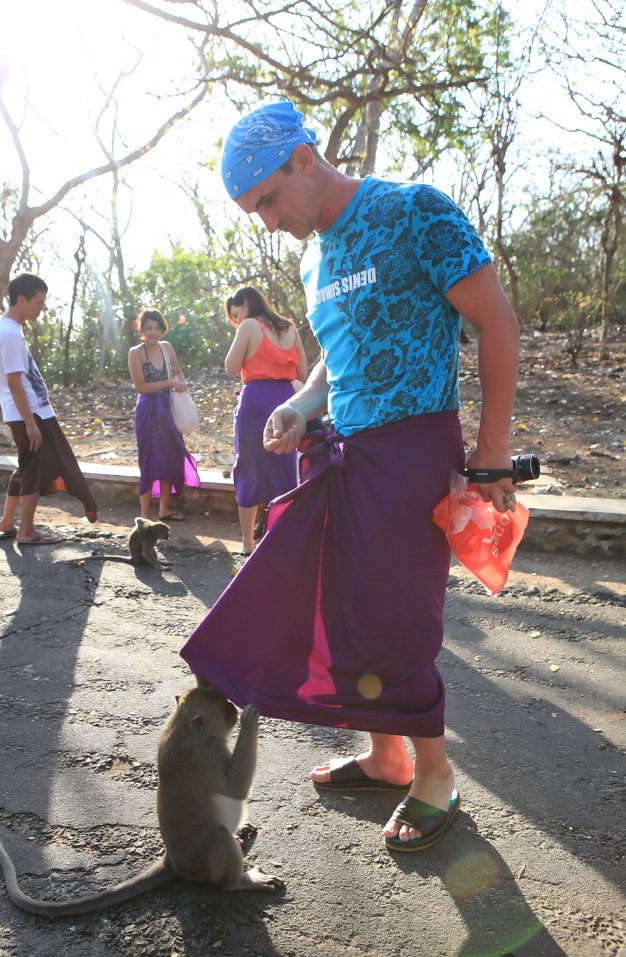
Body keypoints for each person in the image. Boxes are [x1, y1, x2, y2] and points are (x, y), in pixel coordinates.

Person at [182, 101, 520, 853]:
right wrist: (302, 406)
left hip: (414, 449)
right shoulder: (313, 259)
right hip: (343, 450)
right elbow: (338, 354)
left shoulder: (414, 213)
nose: (267, 220)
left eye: (267, 198)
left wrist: (492, 451)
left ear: (305, 159)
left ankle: (436, 778)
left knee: (396, 619)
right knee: (343, 612)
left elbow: (495, 320)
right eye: (252, 210)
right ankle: (386, 754)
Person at [0, 273, 98, 545]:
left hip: (28, 412)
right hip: (28, 413)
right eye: (38, 302)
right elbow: (14, 382)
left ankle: (7, 521)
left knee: (27, 467)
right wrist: (31, 423)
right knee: (34, 471)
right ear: (21, 300)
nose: (42, 308)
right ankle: (26, 531)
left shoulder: (4, 327)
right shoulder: (10, 332)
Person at [224, 286, 308, 554]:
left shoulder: (249, 326)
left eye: (235, 314)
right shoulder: (290, 328)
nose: (236, 321)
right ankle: (280, 538)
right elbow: (303, 373)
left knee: (248, 467)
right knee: (283, 467)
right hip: (287, 399)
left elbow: (230, 368)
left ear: (245, 303)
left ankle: (248, 543)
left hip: (255, 400)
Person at [128, 308, 200, 520]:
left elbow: (179, 371)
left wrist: (180, 385)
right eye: (149, 328)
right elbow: (140, 387)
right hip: (148, 410)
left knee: (170, 456)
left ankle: (164, 509)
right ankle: (144, 515)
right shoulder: (136, 353)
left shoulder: (166, 348)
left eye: (158, 328)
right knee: (149, 459)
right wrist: (169, 382)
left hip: (168, 408)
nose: (154, 332)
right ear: (141, 330)